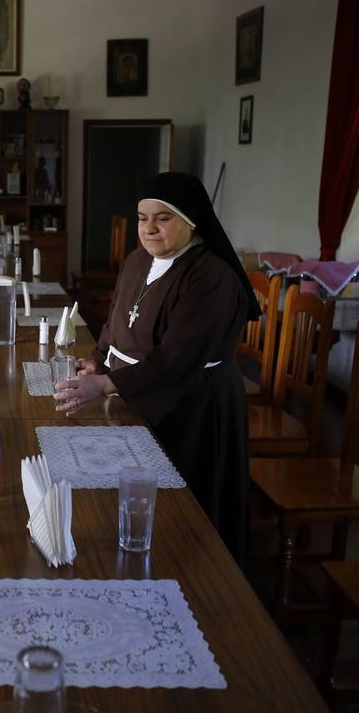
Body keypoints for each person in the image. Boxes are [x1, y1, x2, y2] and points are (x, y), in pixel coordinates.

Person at [52, 172, 260, 562]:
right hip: (139, 392)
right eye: (142, 217)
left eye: (162, 218)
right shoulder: (137, 261)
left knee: (184, 511)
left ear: (191, 221)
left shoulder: (211, 277)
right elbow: (115, 323)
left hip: (192, 404)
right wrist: (97, 360)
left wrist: (106, 385)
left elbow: (177, 358)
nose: (149, 228)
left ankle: (189, 567)